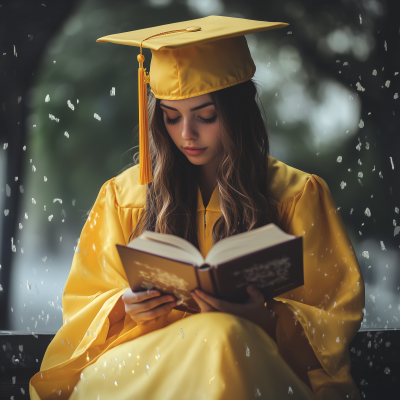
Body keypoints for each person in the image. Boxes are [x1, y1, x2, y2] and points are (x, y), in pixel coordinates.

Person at [29, 16, 365, 400]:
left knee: (224, 337)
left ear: (237, 113)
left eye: (205, 116)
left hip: (247, 361)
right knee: (220, 337)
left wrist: (265, 320)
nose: (186, 134)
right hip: (143, 365)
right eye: (171, 117)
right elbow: (81, 307)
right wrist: (123, 308)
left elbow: (332, 318)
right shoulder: (123, 196)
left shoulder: (296, 194)